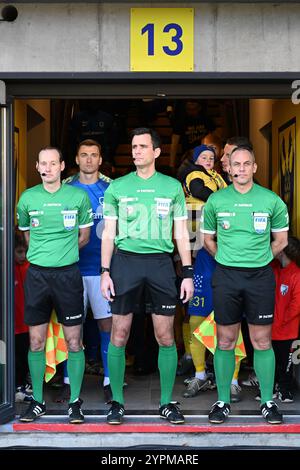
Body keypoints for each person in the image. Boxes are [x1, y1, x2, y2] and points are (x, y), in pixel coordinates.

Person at [101, 127, 194, 425]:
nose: (136, 151)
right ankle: (116, 402)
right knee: (119, 334)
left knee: (165, 336)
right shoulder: (117, 187)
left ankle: (167, 402)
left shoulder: (171, 187)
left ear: (156, 151)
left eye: (142, 146)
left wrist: (188, 273)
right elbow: (108, 234)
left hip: (160, 265)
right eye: (133, 146)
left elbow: (181, 232)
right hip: (125, 263)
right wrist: (105, 271)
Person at [202, 145, 289, 425]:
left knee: (262, 341)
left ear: (254, 167)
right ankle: (222, 401)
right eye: (235, 164)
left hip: (260, 277)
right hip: (227, 276)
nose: (240, 169)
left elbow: (282, 240)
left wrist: (261, 258)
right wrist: (226, 259)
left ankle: (267, 401)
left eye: (246, 164)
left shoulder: (271, 200)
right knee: (225, 341)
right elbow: (207, 240)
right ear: (228, 168)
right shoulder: (216, 201)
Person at [17, 146, 93, 423]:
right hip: (37, 276)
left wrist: (62, 255)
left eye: (52, 163)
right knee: (36, 341)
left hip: (68, 276)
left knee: (75, 341)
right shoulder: (27, 198)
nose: (47, 168)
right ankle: (37, 401)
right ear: (37, 167)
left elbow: (84, 236)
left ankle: (75, 402)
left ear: (62, 166)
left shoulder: (77, 196)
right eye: (42, 164)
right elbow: (26, 238)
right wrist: (46, 256)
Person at [65, 139, 113, 403]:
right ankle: (69, 380)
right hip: (70, 269)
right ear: (76, 159)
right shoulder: (64, 189)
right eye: (84, 155)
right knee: (72, 326)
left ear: (100, 159)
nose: (88, 160)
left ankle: (109, 379)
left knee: (107, 323)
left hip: (101, 269)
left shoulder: (112, 188)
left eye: (93, 155)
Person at [271, 236, 300, 402]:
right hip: (270, 328)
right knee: (271, 361)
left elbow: (297, 305)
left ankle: (285, 389)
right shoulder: (273, 268)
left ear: (283, 250)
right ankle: (271, 387)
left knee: (287, 363)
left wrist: (281, 320)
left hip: (289, 330)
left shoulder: (296, 274)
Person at [169, 100, 216, 170]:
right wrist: (171, 164)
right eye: (188, 109)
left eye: (193, 109)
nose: (190, 111)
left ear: (199, 108)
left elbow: (215, 139)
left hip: (206, 154)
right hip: (188, 156)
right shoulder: (181, 121)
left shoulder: (206, 120)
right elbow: (174, 144)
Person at [14, 230, 32, 403]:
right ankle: (17, 385)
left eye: (25, 251)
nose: (23, 255)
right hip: (13, 324)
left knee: (26, 355)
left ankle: (23, 385)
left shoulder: (29, 267)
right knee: (15, 357)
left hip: (27, 323)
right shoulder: (7, 269)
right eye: (19, 252)